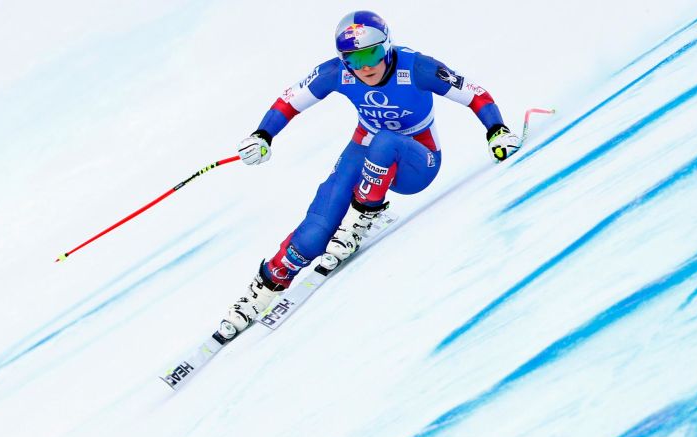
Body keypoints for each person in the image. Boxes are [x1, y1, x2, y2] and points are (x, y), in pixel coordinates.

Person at [217, 10, 521, 341]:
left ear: (387, 47)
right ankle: (264, 288)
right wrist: (263, 135)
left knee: (385, 140)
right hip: (365, 149)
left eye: (372, 54)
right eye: (353, 59)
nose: (364, 67)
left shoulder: (416, 67)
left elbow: (474, 93)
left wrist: (497, 130)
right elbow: (289, 101)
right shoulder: (338, 74)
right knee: (314, 233)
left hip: (418, 163)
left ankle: (365, 217)